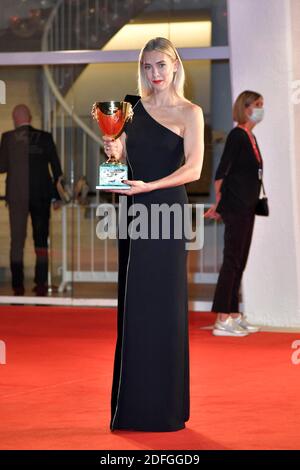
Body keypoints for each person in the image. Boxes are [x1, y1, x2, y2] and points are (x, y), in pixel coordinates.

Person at [103, 37, 204, 431]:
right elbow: (121, 158)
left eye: (161, 65)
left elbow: (194, 169)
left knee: (165, 306)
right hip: (135, 213)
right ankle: (134, 407)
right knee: (135, 305)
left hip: (167, 213)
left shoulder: (190, 112)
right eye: (147, 67)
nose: (154, 74)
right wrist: (111, 150)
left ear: (176, 66)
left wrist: (151, 186)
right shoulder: (131, 109)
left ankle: (164, 408)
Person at [205, 90, 265, 337]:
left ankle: (234, 314)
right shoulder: (237, 136)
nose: (262, 109)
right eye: (258, 105)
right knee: (231, 261)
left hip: (248, 207)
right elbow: (221, 174)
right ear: (246, 107)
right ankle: (222, 318)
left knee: (239, 262)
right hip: (236, 207)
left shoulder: (250, 137)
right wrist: (220, 203)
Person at [0, 104, 62, 296]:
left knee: (17, 241)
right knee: (41, 240)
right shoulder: (45, 137)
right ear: (30, 117)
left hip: (17, 196)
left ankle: (17, 285)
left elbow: (1, 167)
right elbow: (57, 170)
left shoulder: (8, 137)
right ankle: (41, 283)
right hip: (41, 196)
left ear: (15, 118)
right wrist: (57, 196)